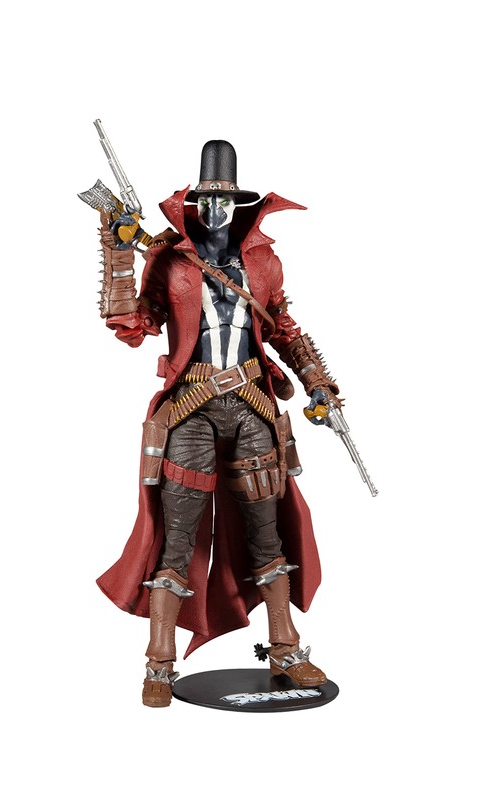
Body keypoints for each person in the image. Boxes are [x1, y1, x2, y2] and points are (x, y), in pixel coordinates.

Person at [94, 140, 342, 707]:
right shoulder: (169, 260)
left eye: (223, 201)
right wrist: (118, 246)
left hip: (252, 405)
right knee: (177, 536)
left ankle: (285, 651)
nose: (214, 211)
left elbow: (282, 326)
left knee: (267, 533)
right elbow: (132, 323)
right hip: (191, 407)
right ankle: (159, 665)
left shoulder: (263, 263)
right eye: (205, 200)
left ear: (239, 205)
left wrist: (318, 383)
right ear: (194, 204)